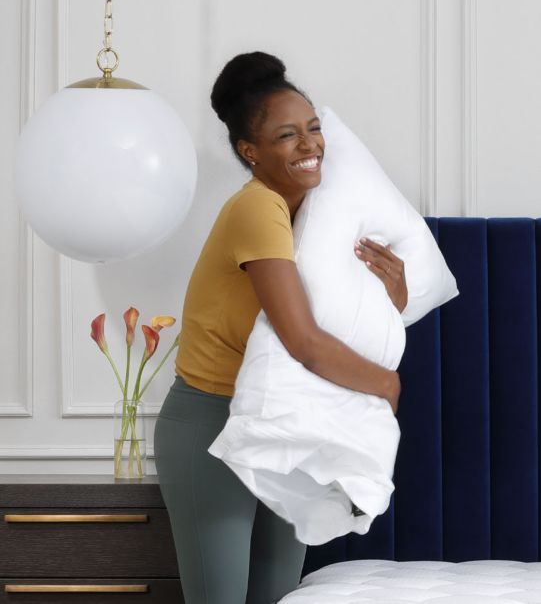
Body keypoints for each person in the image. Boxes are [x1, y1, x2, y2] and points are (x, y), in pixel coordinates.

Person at [155, 51, 410, 603]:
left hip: (287, 417)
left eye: (314, 129)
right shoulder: (258, 208)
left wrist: (396, 291)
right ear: (250, 152)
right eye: (288, 136)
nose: (311, 144)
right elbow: (305, 343)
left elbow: (352, 320)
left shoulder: (320, 218)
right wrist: (387, 385)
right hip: (211, 422)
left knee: (277, 597)